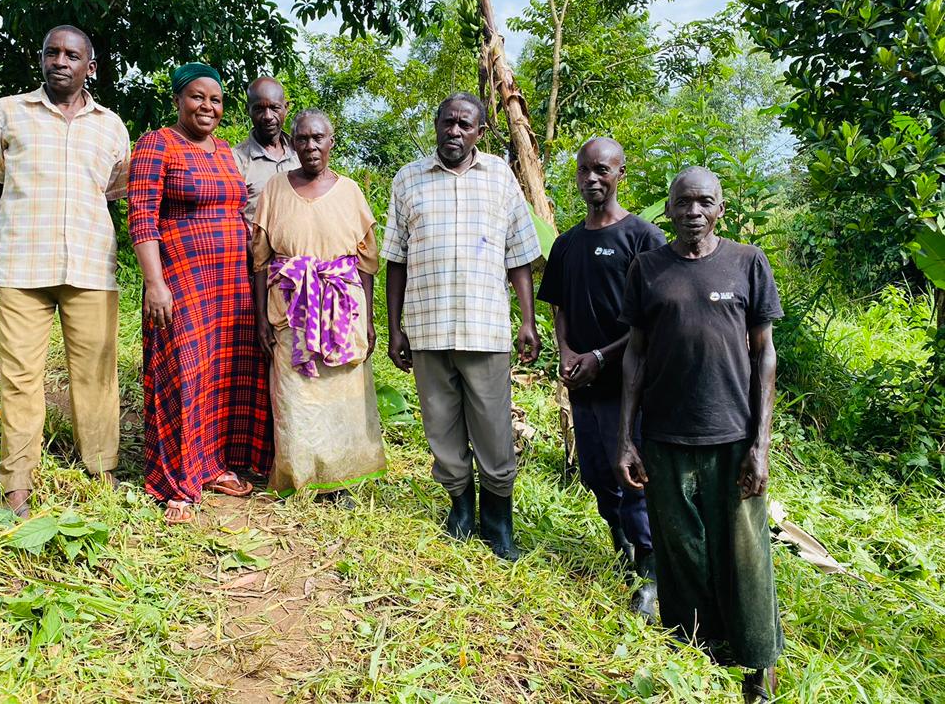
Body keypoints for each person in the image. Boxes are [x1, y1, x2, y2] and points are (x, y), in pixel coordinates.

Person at [615, 166, 784, 703]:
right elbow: (635, 355)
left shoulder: (747, 263)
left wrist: (760, 445)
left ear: (720, 210)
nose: (692, 212)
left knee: (745, 554)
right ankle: (700, 653)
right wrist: (626, 437)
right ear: (668, 209)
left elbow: (765, 356)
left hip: (732, 438)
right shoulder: (648, 268)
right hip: (665, 439)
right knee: (681, 550)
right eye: (682, 203)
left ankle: (759, 665)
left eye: (703, 202)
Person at [0, 25, 129, 518]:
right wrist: (14, 233)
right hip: (23, 264)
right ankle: (17, 481)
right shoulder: (8, 112)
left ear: (90, 67)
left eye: (72, 54)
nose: (60, 60)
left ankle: (101, 469)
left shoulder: (112, 126)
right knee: (20, 376)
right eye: (52, 52)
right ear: (41, 60)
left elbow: (112, 195)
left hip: (90, 266)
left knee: (96, 375)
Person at [383, 92, 542, 561]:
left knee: (493, 427)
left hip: (484, 328)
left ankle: (498, 520)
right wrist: (396, 329)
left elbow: (520, 257)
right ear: (435, 124)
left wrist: (528, 321)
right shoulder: (408, 179)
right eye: (447, 121)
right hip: (428, 328)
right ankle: (460, 510)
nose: (455, 131)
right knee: (441, 425)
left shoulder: (500, 178)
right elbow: (396, 260)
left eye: (465, 125)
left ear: (479, 131)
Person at [128, 63, 273, 525]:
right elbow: (142, 217)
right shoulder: (157, 144)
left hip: (230, 284)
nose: (207, 106)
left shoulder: (226, 150)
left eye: (215, 99)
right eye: (197, 96)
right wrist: (155, 283)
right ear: (177, 100)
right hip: (182, 283)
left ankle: (212, 465)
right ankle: (176, 481)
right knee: (184, 374)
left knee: (222, 375)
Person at [536, 137, 666, 618]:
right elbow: (559, 305)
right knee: (594, 469)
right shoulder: (568, 243)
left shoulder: (643, 238)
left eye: (603, 170)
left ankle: (651, 573)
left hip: (629, 382)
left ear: (620, 173)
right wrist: (567, 351)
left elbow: (650, 322)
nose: (593, 178)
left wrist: (601, 358)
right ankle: (624, 551)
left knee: (628, 470)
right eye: (585, 170)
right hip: (584, 382)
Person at [252, 109, 385, 501]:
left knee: (341, 394)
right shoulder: (275, 189)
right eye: (303, 139)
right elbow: (260, 259)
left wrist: (370, 321)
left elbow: (366, 261)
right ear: (292, 144)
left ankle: (342, 478)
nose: (310, 146)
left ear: (331, 143)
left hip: (342, 310)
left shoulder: (350, 192)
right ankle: (299, 474)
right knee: (295, 394)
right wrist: (261, 317)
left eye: (318, 138)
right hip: (289, 308)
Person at [231, 76, 300, 228]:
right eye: (259, 109)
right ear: (247, 110)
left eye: (274, 108)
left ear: (286, 108)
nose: (268, 116)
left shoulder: (301, 153)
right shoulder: (234, 160)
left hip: (303, 250)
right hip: (255, 250)